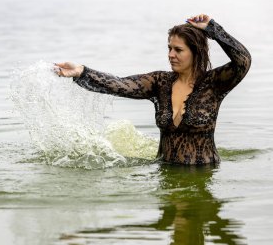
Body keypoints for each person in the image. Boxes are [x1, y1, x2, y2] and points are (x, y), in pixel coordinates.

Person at [54, 14, 251, 164]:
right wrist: (81, 71)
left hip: (203, 175)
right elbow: (121, 85)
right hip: (165, 173)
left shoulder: (213, 83)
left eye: (178, 50)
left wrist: (212, 28)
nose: (171, 55)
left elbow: (243, 60)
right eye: (169, 48)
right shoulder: (160, 82)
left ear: (195, 52)